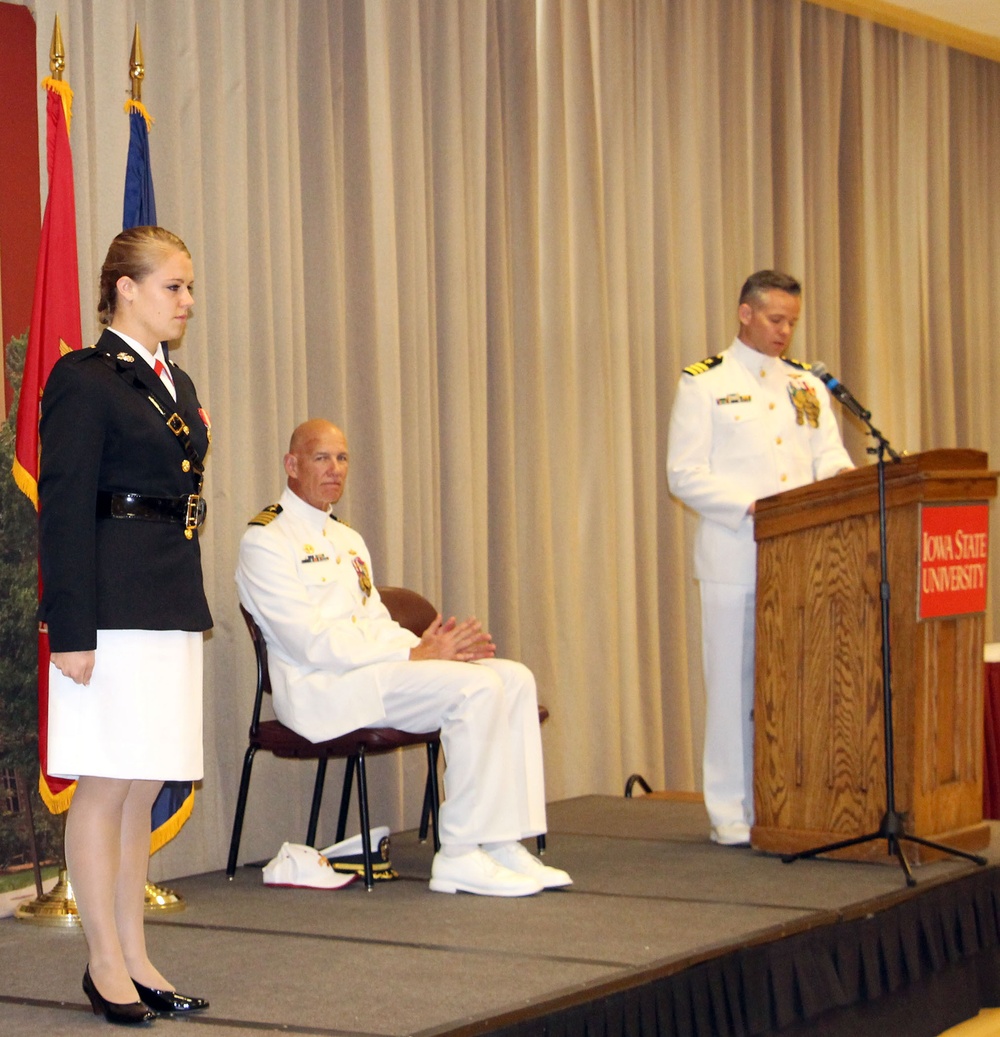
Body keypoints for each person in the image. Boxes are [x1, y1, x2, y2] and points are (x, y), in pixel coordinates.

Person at [236, 419, 571, 897]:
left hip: (374, 675)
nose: (335, 470)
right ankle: (459, 853)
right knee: (476, 689)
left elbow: (373, 622)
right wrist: (414, 652)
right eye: (321, 458)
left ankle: (499, 842)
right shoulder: (266, 540)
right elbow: (309, 642)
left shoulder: (348, 539)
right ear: (292, 465)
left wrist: (433, 653)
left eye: (343, 458)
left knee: (513, 678)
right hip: (320, 690)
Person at [38, 226, 212, 1024]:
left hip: (167, 600)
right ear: (124, 288)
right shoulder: (84, 377)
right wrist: (70, 627)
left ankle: (138, 953)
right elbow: (65, 506)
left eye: (186, 288)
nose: (185, 301)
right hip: (107, 610)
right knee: (105, 786)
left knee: (142, 785)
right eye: (172, 286)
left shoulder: (170, 380)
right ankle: (103, 961)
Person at [666, 270, 852, 847]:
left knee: (801, 684)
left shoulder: (805, 385)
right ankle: (730, 812)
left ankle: (796, 799)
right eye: (776, 320)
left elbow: (831, 457)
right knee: (732, 687)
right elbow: (684, 474)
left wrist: (845, 490)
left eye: (792, 321)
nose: (785, 331)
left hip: (807, 562)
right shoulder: (704, 384)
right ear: (745, 313)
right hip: (735, 557)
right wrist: (753, 507)